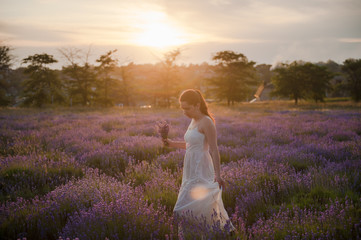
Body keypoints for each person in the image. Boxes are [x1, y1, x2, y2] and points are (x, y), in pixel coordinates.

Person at [162, 89, 235, 238]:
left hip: (201, 168)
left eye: (187, 108)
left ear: (197, 105)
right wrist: (171, 144)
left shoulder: (206, 122)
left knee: (184, 208)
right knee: (197, 207)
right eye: (182, 108)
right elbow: (190, 145)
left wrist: (218, 175)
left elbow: (214, 150)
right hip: (190, 169)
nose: (184, 112)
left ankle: (212, 233)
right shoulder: (193, 120)